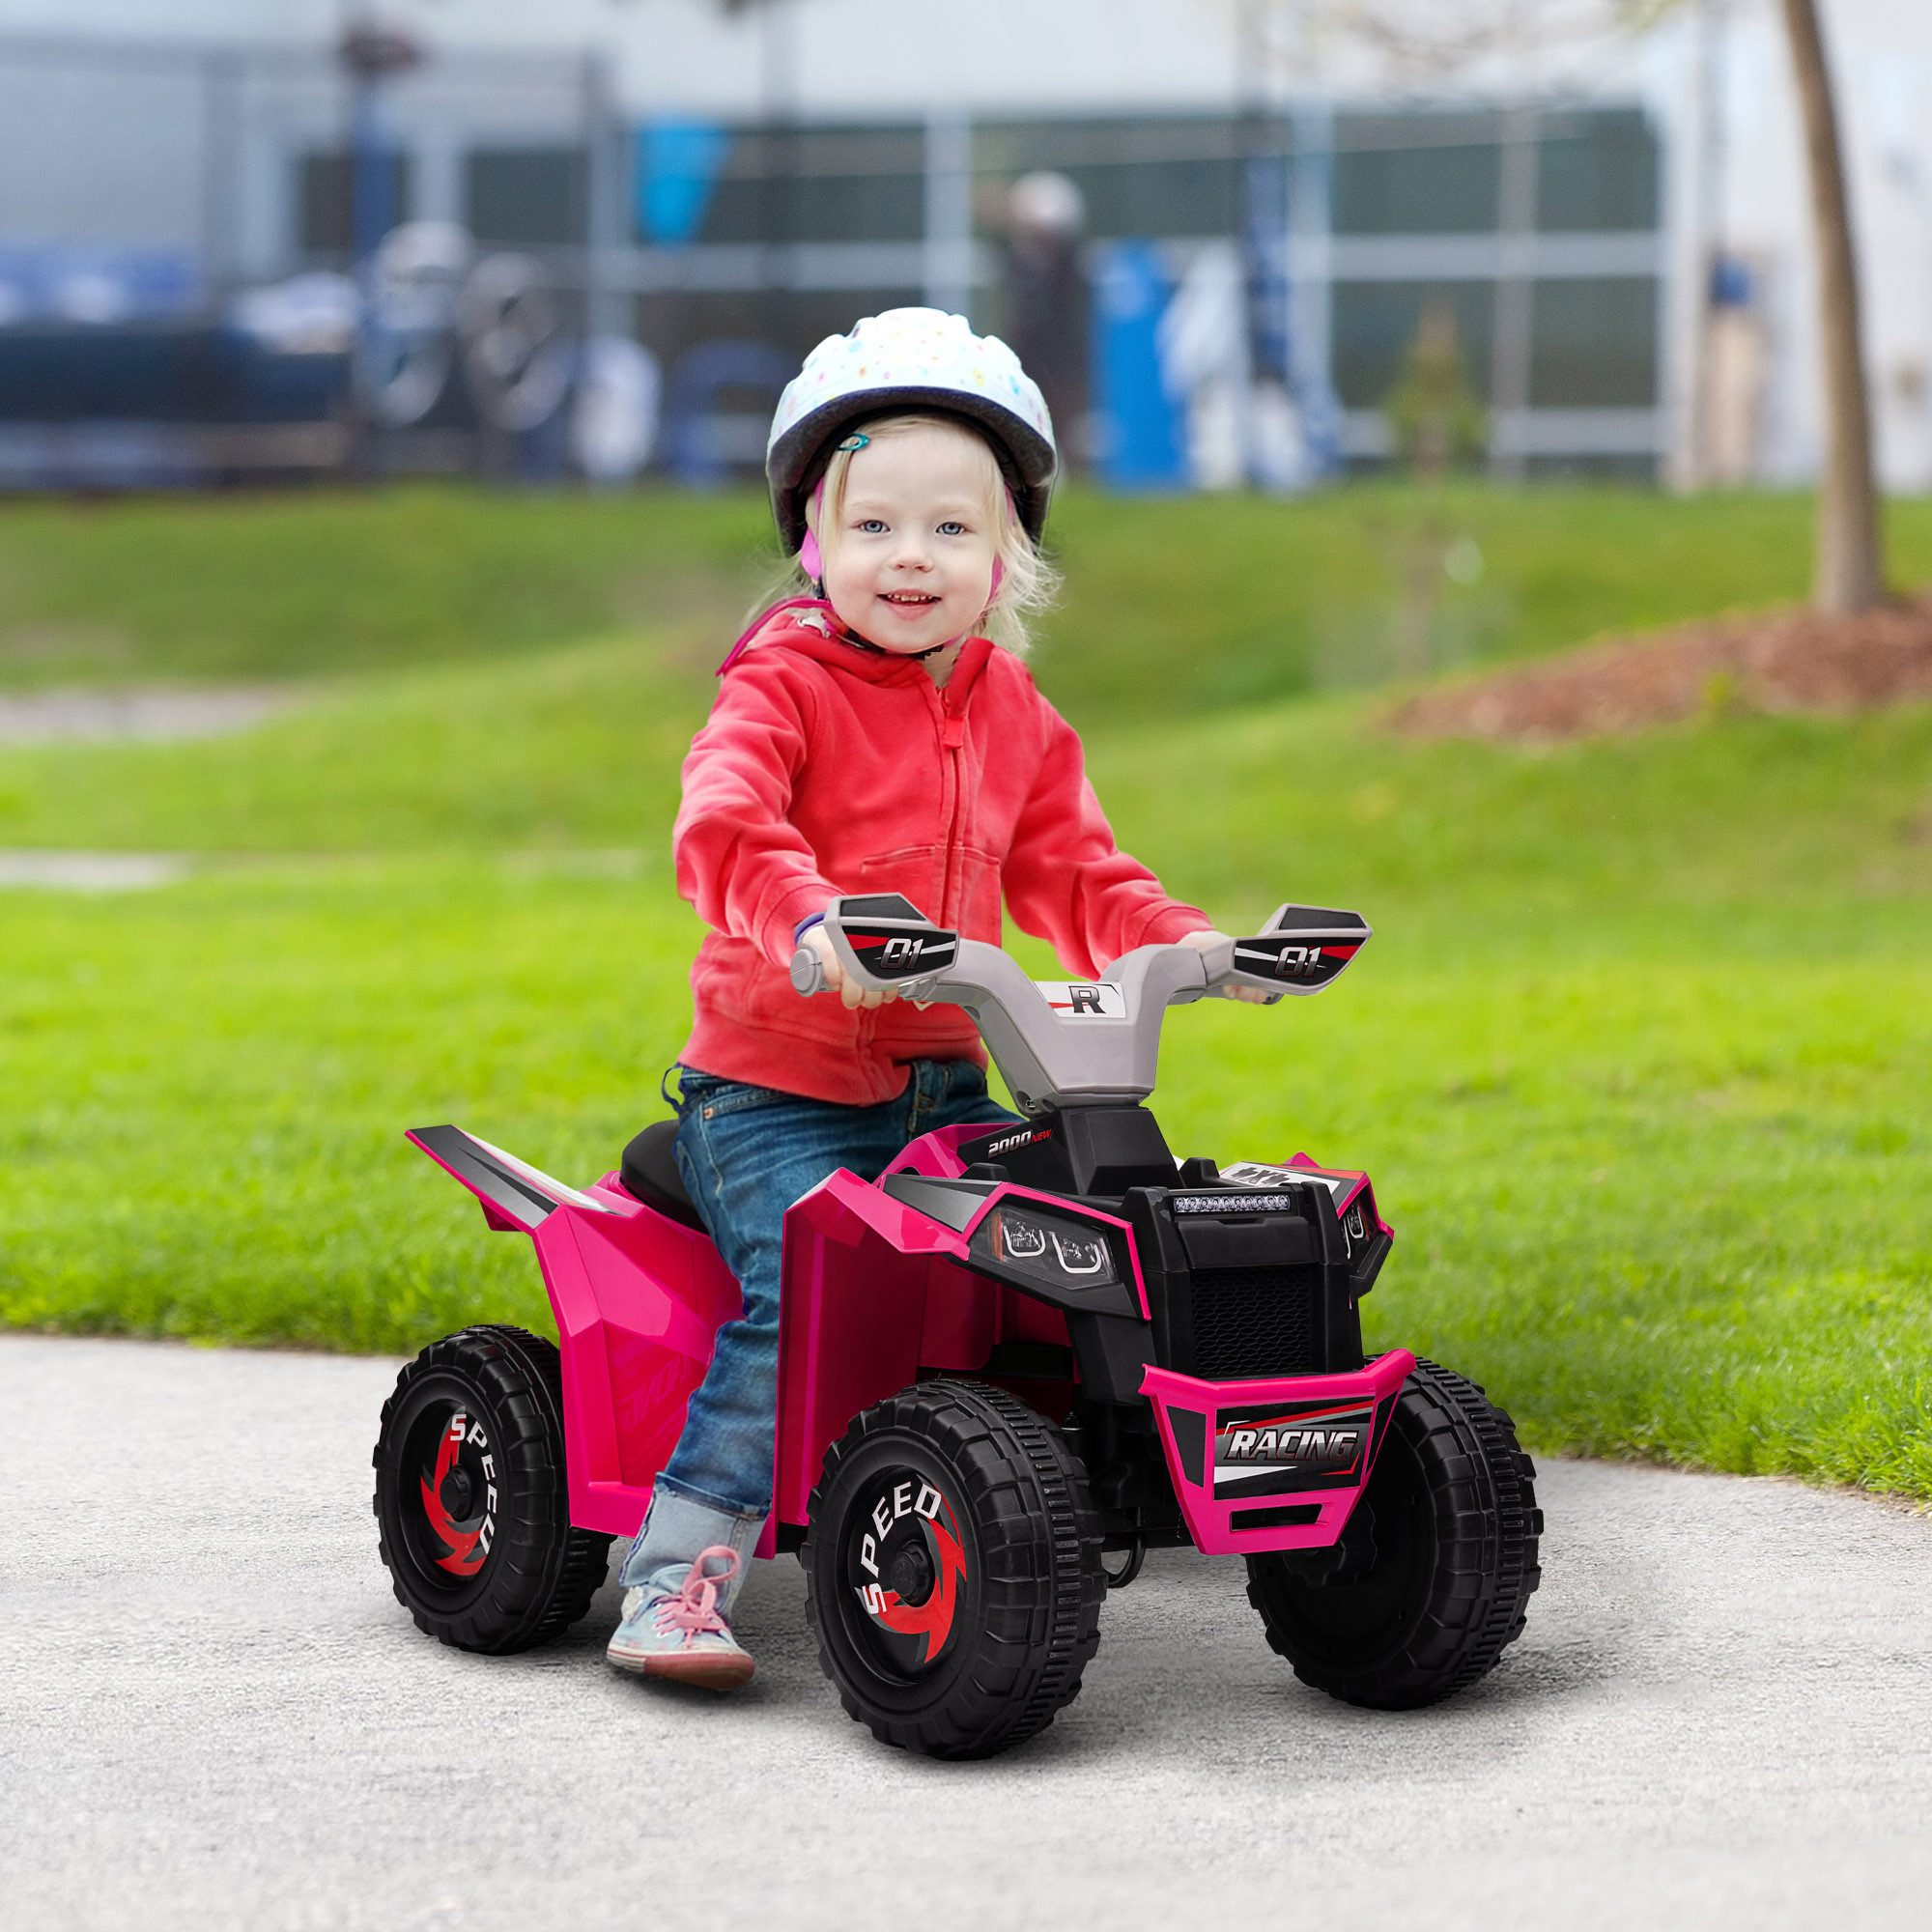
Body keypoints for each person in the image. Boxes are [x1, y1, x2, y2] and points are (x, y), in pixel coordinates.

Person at [606, 306, 1252, 1690]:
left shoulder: (1011, 708)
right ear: (814, 543)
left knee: (1055, 1266)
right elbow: (724, 823)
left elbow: (1077, 869)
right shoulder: (780, 686)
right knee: (800, 1305)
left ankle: (1059, 1495)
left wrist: (1186, 944)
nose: (913, 556)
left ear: (1007, 553)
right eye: (877, 526)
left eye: (952, 529)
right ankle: (675, 1577)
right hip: (774, 1095)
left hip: (949, 1083)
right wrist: (804, 916)